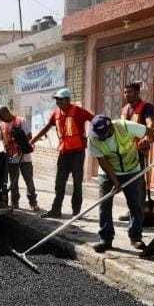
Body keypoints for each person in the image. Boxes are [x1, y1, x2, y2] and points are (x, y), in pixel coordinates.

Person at [87, 115, 154, 253]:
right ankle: (105, 239)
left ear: (111, 128)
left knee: (136, 205)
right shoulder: (93, 138)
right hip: (108, 172)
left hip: (132, 170)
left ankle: (135, 237)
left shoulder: (124, 126)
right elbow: (102, 161)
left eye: (103, 135)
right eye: (98, 135)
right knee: (104, 205)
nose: (100, 138)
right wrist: (115, 181)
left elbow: (152, 133)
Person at [31, 88, 94, 219]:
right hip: (64, 152)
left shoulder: (78, 112)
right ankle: (56, 210)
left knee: (77, 183)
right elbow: (46, 128)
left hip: (77, 153)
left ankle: (76, 212)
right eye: (57, 100)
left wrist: (95, 136)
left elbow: (95, 120)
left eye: (60, 100)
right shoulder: (56, 113)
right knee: (59, 183)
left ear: (67, 100)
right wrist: (32, 141)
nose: (58, 102)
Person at [118, 81, 154, 221]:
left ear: (137, 93)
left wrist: (147, 136)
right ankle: (132, 210)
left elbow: (150, 123)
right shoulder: (124, 109)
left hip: (139, 150)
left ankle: (138, 211)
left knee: (139, 182)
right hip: (126, 151)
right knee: (128, 182)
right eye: (125, 92)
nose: (127, 94)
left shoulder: (146, 107)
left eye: (130, 92)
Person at [0, 105, 39, 211]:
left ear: (6, 112)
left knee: (29, 180)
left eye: (0, 116)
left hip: (24, 157)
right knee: (14, 182)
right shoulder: (2, 125)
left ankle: (33, 203)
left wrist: (19, 142)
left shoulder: (20, 121)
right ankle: (15, 203)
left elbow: (29, 136)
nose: (0, 118)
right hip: (11, 158)